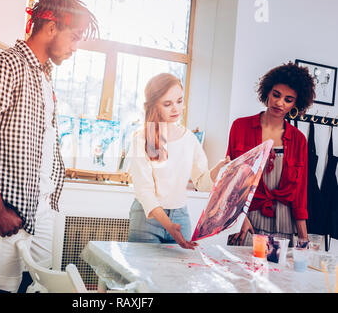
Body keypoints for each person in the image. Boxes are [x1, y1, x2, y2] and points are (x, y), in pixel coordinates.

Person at [0, 0, 98, 293]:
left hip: (42, 211)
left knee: (31, 287)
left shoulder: (44, 77)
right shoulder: (5, 66)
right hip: (10, 214)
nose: (75, 47)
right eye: (73, 37)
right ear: (50, 26)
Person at [127, 73, 229, 249]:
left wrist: (217, 170)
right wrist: (168, 226)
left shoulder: (189, 138)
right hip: (147, 218)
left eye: (179, 101)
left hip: (180, 216)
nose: (176, 109)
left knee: (178, 275)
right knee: (142, 275)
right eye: (167, 104)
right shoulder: (141, 139)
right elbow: (145, 191)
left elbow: (202, 183)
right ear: (154, 106)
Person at [228, 62, 315, 247]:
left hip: (284, 225)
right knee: (240, 276)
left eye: (288, 99)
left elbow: (300, 194)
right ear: (267, 92)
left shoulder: (299, 140)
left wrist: (304, 240)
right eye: (276, 94)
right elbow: (230, 181)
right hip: (246, 222)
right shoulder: (240, 127)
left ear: (295, 104)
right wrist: (239, 219)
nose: (279, 102)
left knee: (281, 276)